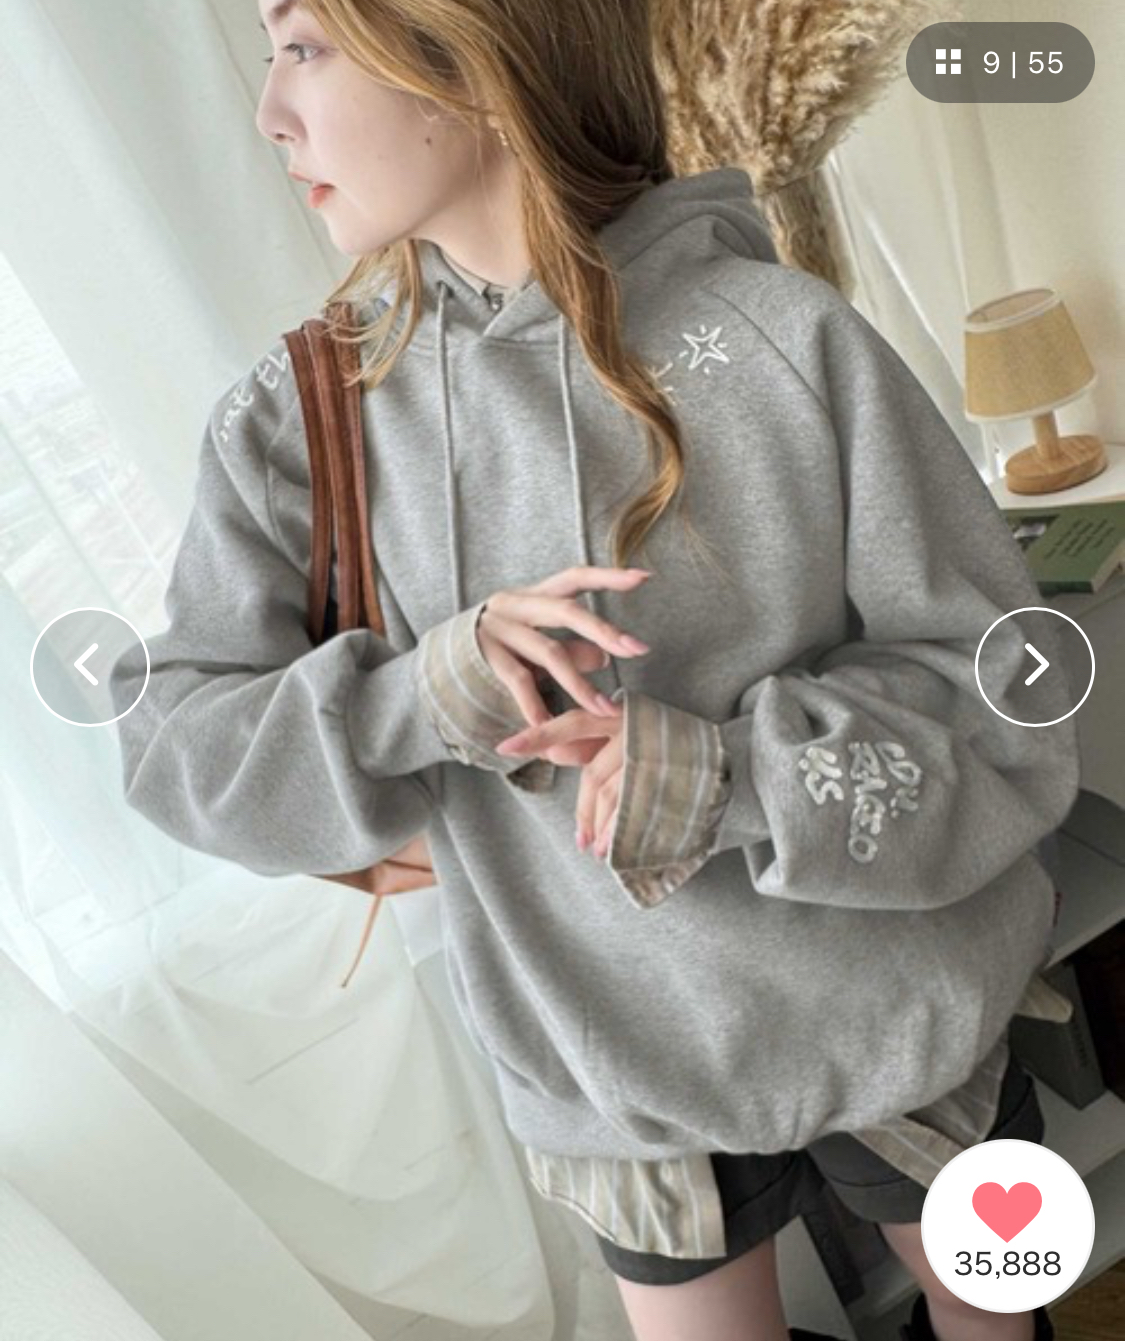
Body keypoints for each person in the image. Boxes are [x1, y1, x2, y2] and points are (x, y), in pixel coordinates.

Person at [109, 2, 1078, 1339]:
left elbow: (1004, 702)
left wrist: (721, 773)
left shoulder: (784, 337)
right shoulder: (301, 422)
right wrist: (425, 694)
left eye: (307, 46)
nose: (268, 112)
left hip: (911, 1022)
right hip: (606, 1078)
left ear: (476, 60)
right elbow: (175, 753)